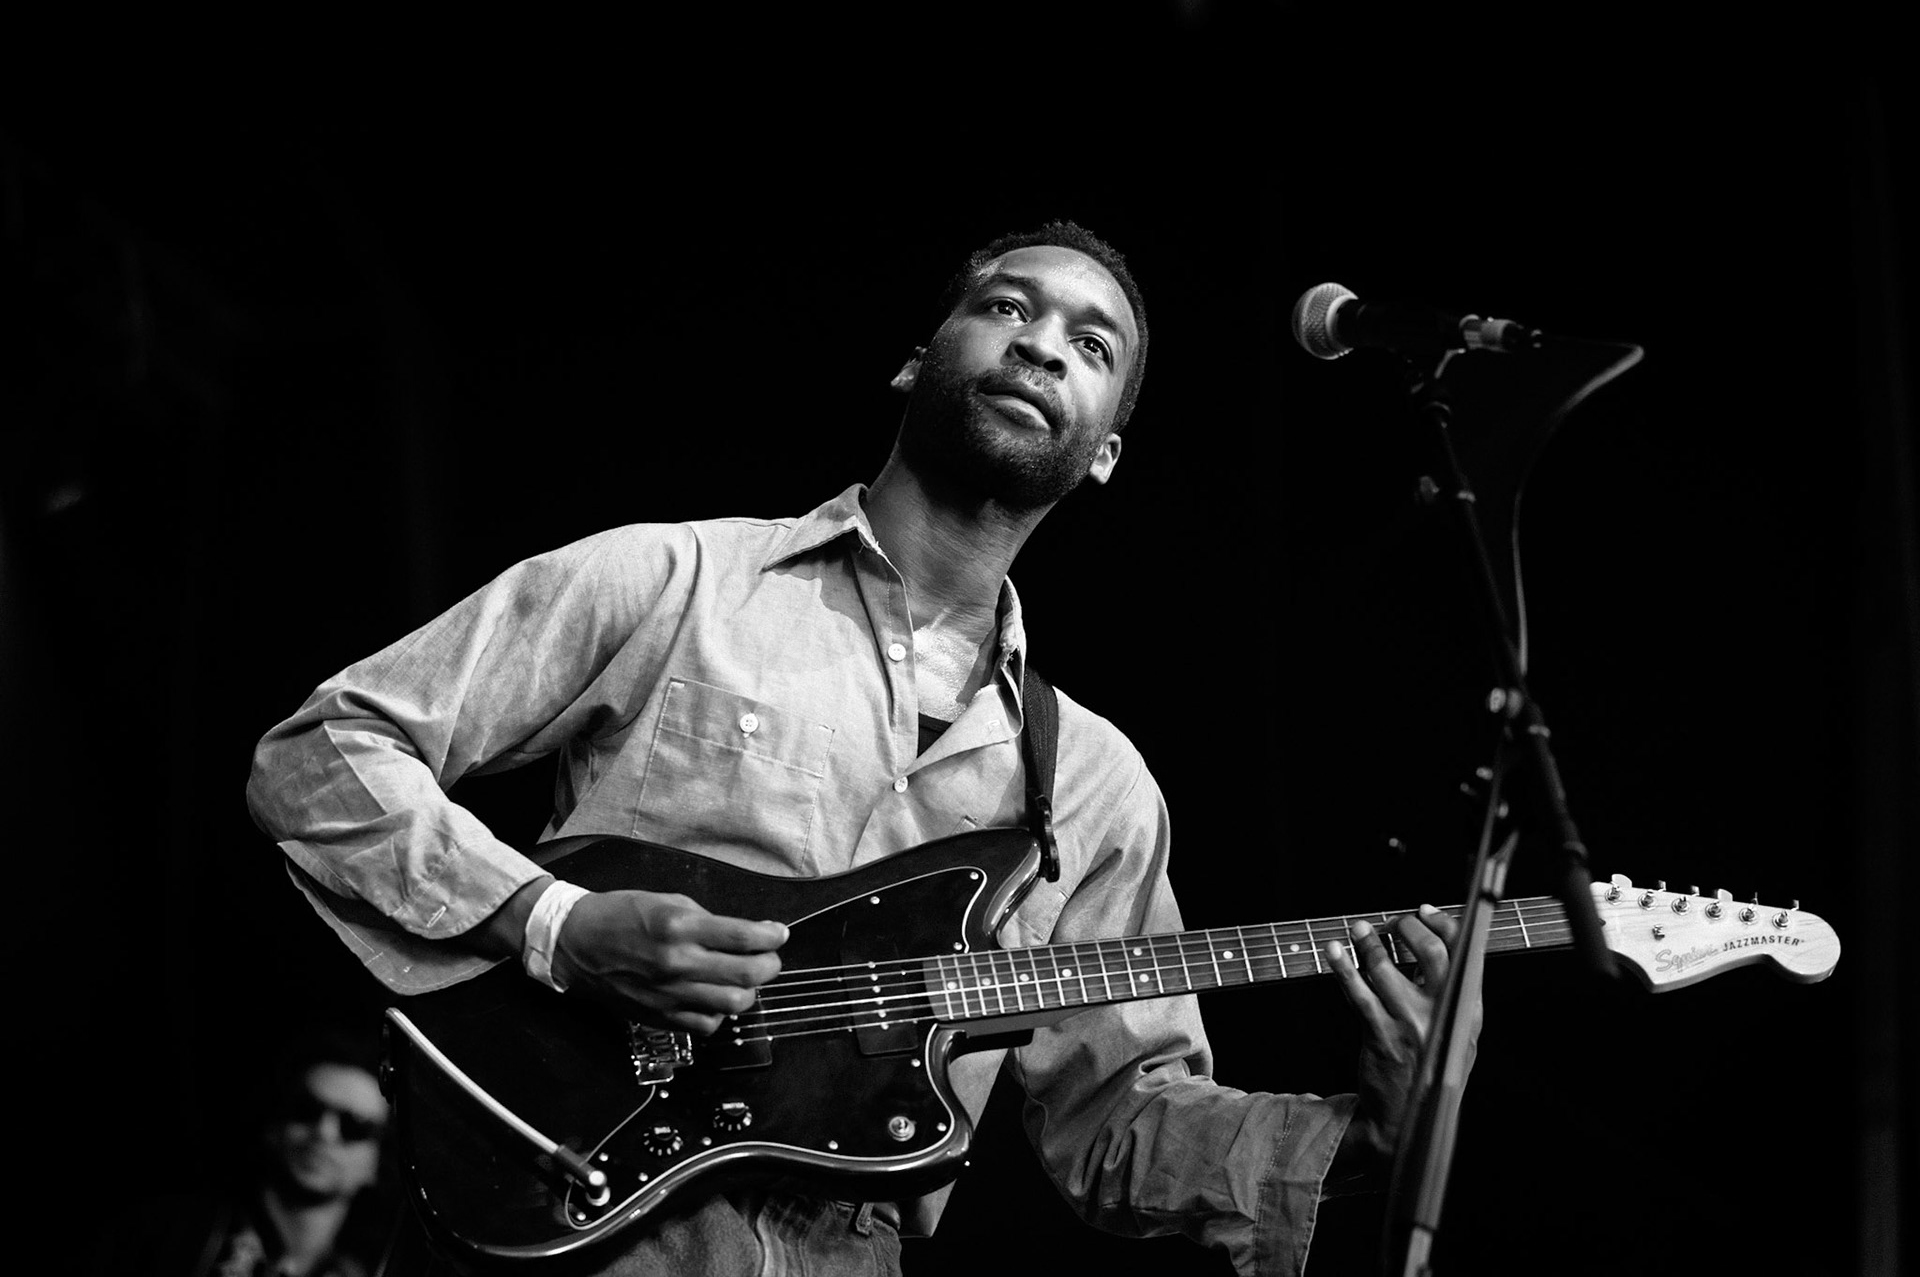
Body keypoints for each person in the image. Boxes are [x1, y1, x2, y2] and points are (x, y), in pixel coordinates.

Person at [247, 220, 1478, 1275]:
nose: (1042, 341)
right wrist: (557, 923)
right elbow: (321, 752)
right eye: (1007, 306)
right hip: (580, 1205)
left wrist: (1375, 1130)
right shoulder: (677, 581)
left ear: (1103, 450)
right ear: (916, 361)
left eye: (1090, 345)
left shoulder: (1097, 785)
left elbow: (1118, 1121)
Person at [95, 1026, 397, 1277]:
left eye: (354, 1126)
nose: (323, 1133)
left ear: (378, 1161)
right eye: (306, 1110)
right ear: (274, 1126)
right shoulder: (170, 1233)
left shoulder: (370, 1270)